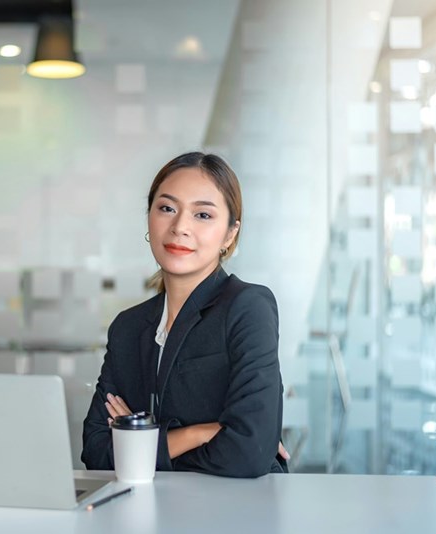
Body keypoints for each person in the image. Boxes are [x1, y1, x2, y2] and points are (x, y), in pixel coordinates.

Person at [81, 152, 287, 477]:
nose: (179, 228)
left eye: (202, 215)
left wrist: (140, 446)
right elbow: (95, 451)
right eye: (167, 208)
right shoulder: (128, 327)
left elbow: (248, 452)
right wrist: (196, 434)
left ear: (230, 234)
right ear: (149, 216)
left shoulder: (247, 307)